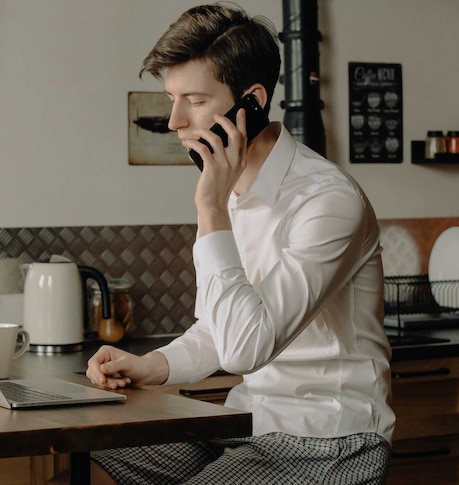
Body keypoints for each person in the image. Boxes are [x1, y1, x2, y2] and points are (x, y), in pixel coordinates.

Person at [57, 3, 395, 484]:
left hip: (329, 439)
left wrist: (210, 209)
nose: (175, 120)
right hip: (245, 423)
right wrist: (151, 365)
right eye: (172, 98)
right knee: (83, 471)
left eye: (193, 100)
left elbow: (243, 350)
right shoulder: (232, 189)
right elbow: (222, 328)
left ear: (252, 101)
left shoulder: (328, 200)